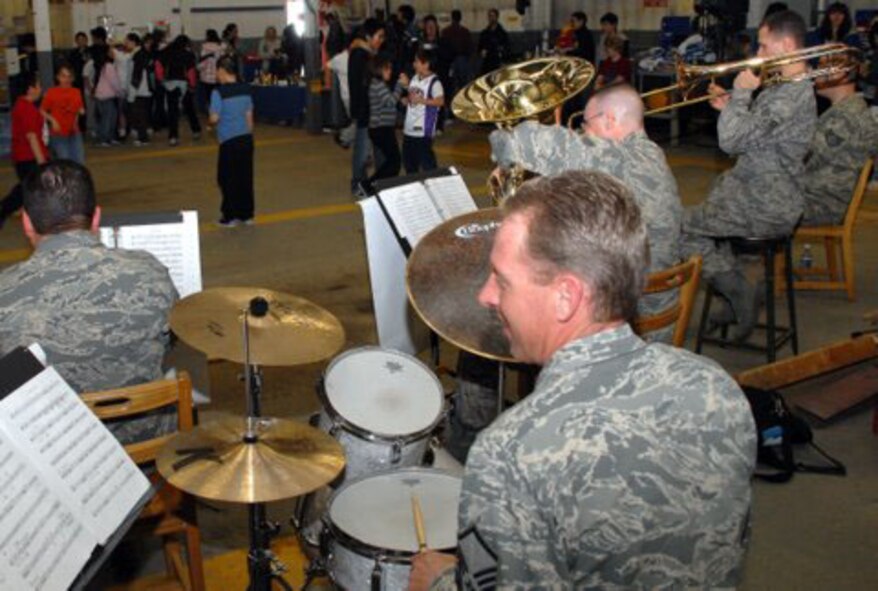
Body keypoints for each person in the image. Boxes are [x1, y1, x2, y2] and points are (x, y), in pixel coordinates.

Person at [409, 170, 756, 589]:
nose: (485, 295)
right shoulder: (715, 388)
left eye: (501, 279)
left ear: (566, 297)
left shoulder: (511, 454)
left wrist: (438, 580)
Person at [0, 161, 178, 444]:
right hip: (148, 452)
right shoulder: (149, 270)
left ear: (26, 223)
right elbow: (170, 343)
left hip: (57, 462)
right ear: (96, 218)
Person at [679, 10, 817, 341]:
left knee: (678, 227)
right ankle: (738, 288)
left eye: (763, 46)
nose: (758, 54)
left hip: (766, 204)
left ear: (785, 45)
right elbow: (752, 139)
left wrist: (740, 96)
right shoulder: (783, 86)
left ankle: (738, 290)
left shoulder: (791, 94)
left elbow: (731, 142)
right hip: (755, 193)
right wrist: (730, 108)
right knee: (699, 216)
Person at [801, 69, 878, 225]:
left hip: (820, 203)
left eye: (824, 70)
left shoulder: (845, 116)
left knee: (748, 204)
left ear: (841, 75)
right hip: (821, 195)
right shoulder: (848, 108)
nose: (816, 74)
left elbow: (806, 157)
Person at [209, 57, 254, 227]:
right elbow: (249, 116)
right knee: (245, 177)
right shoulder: (246, 89)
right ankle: (247, 214)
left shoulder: (218, 92)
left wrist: (210, 122)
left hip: (228, 141)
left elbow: (214, 118)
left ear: (222, 70)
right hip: (246, 139)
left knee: (226, 179)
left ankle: (229, 216)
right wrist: (248, 133)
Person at [0, 73, 48, 228]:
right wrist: (41, 162)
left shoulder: (23, 105)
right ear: (30, 89)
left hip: (25, 156)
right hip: (28, 157)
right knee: (26, 190)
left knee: (26, 188)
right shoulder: (25, 107)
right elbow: (31, 137)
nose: (40, 89)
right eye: (38, 85)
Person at [348, 18, 387, 194]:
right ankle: (358, 184)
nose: (381, 40)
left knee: (379, 148)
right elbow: (364, 85)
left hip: (373, 110)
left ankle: (379, 182)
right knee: (363, 152)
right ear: (368, 36)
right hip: (366, 110)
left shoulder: (365, 54)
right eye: (379, 36)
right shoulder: (360, 55)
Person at [401, 49, 444, 173]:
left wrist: (422, 101)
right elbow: (414, 95)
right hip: (409, 129)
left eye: (417, 61)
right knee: (409, 164)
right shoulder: (414, 78)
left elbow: (440, 101)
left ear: (426, 64)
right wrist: (406, 97)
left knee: (428, 166)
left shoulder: (435, 82)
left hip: (423, 131)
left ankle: (434, 188)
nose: (414, 64)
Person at [157, 35, 202, 146]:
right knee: (189, 108)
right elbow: (191, 71)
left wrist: (161, 79)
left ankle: (173, 137)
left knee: (173, 111)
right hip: (184, 84)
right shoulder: (188, 54)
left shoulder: (165, 52)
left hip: (169, 84)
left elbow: (158, 66)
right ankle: (196, 130)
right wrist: (192, 85)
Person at [368, 55, 404, 181]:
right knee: (394, 162)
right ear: (379, 69)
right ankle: (369, 185)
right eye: (387, 69)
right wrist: (400, 85)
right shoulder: (378, 85)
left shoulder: (379, 83)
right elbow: (390, 102)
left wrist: (400, 99)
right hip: (381, 128)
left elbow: (387, 102)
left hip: (382, 128)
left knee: (392, 161)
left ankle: (376, 184)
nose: (390, 71)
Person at [41, 64, 86, 164]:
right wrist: (53, 121)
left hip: (74, 132)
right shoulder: (52, 92)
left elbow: (79, 109)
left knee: (80, 161)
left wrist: (78, 116)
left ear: (73, 78)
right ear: (58, 77)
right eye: (63, 76)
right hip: (58, 134)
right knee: (65, 162)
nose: (66, 79)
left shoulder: (76, 92)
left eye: (69, 76)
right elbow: (42, 110)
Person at [88, 43, 122, 147]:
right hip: (106, 97)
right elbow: (114, 82)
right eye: (111, 51)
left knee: (109, 118)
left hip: (102, 96)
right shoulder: (109, 66)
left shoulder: (104, 66)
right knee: (108, 119)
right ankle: (104, 139)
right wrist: (120, 92)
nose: (114, 53)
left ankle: (109, 138)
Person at [125, 33, 153, 147]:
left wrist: (132, 91)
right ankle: (143, 134)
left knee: (139, 114)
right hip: (143, 88)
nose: (125, 44)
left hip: (140, 89)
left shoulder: (138, 54)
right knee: (142, 113)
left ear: (133, 42)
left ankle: (143, 138)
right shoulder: (141, 54)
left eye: (127, 42)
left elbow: (136, 74)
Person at [442, 9, 474, 105]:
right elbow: (470, 47)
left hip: (450, 61)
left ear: (452, 18)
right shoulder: (465, 31)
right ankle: (463, 103)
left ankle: (453, 104)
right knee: (463, 84)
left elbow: (444, 46)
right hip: (463, 59)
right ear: (460, 18)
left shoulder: (446, 31)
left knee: (452, 84)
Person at [478, 8, 510, 75]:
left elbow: (507, 48)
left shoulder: (502, 33)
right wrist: (481, 51)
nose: (491, 18)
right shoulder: (485, 33)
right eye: (489, 16)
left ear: (497, 17)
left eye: (493, 16)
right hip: (487, 63)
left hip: (497, 62)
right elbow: (480, 47)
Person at [198, 29, 223, 112]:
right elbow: (221, 60)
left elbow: (201, 62)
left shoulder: (204, 46)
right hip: (217, 74)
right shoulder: (220, 46)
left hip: (206, 75)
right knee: (218, 94)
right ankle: (218, 110)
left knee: (208, 94)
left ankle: (210, 111)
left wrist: (198, 68)